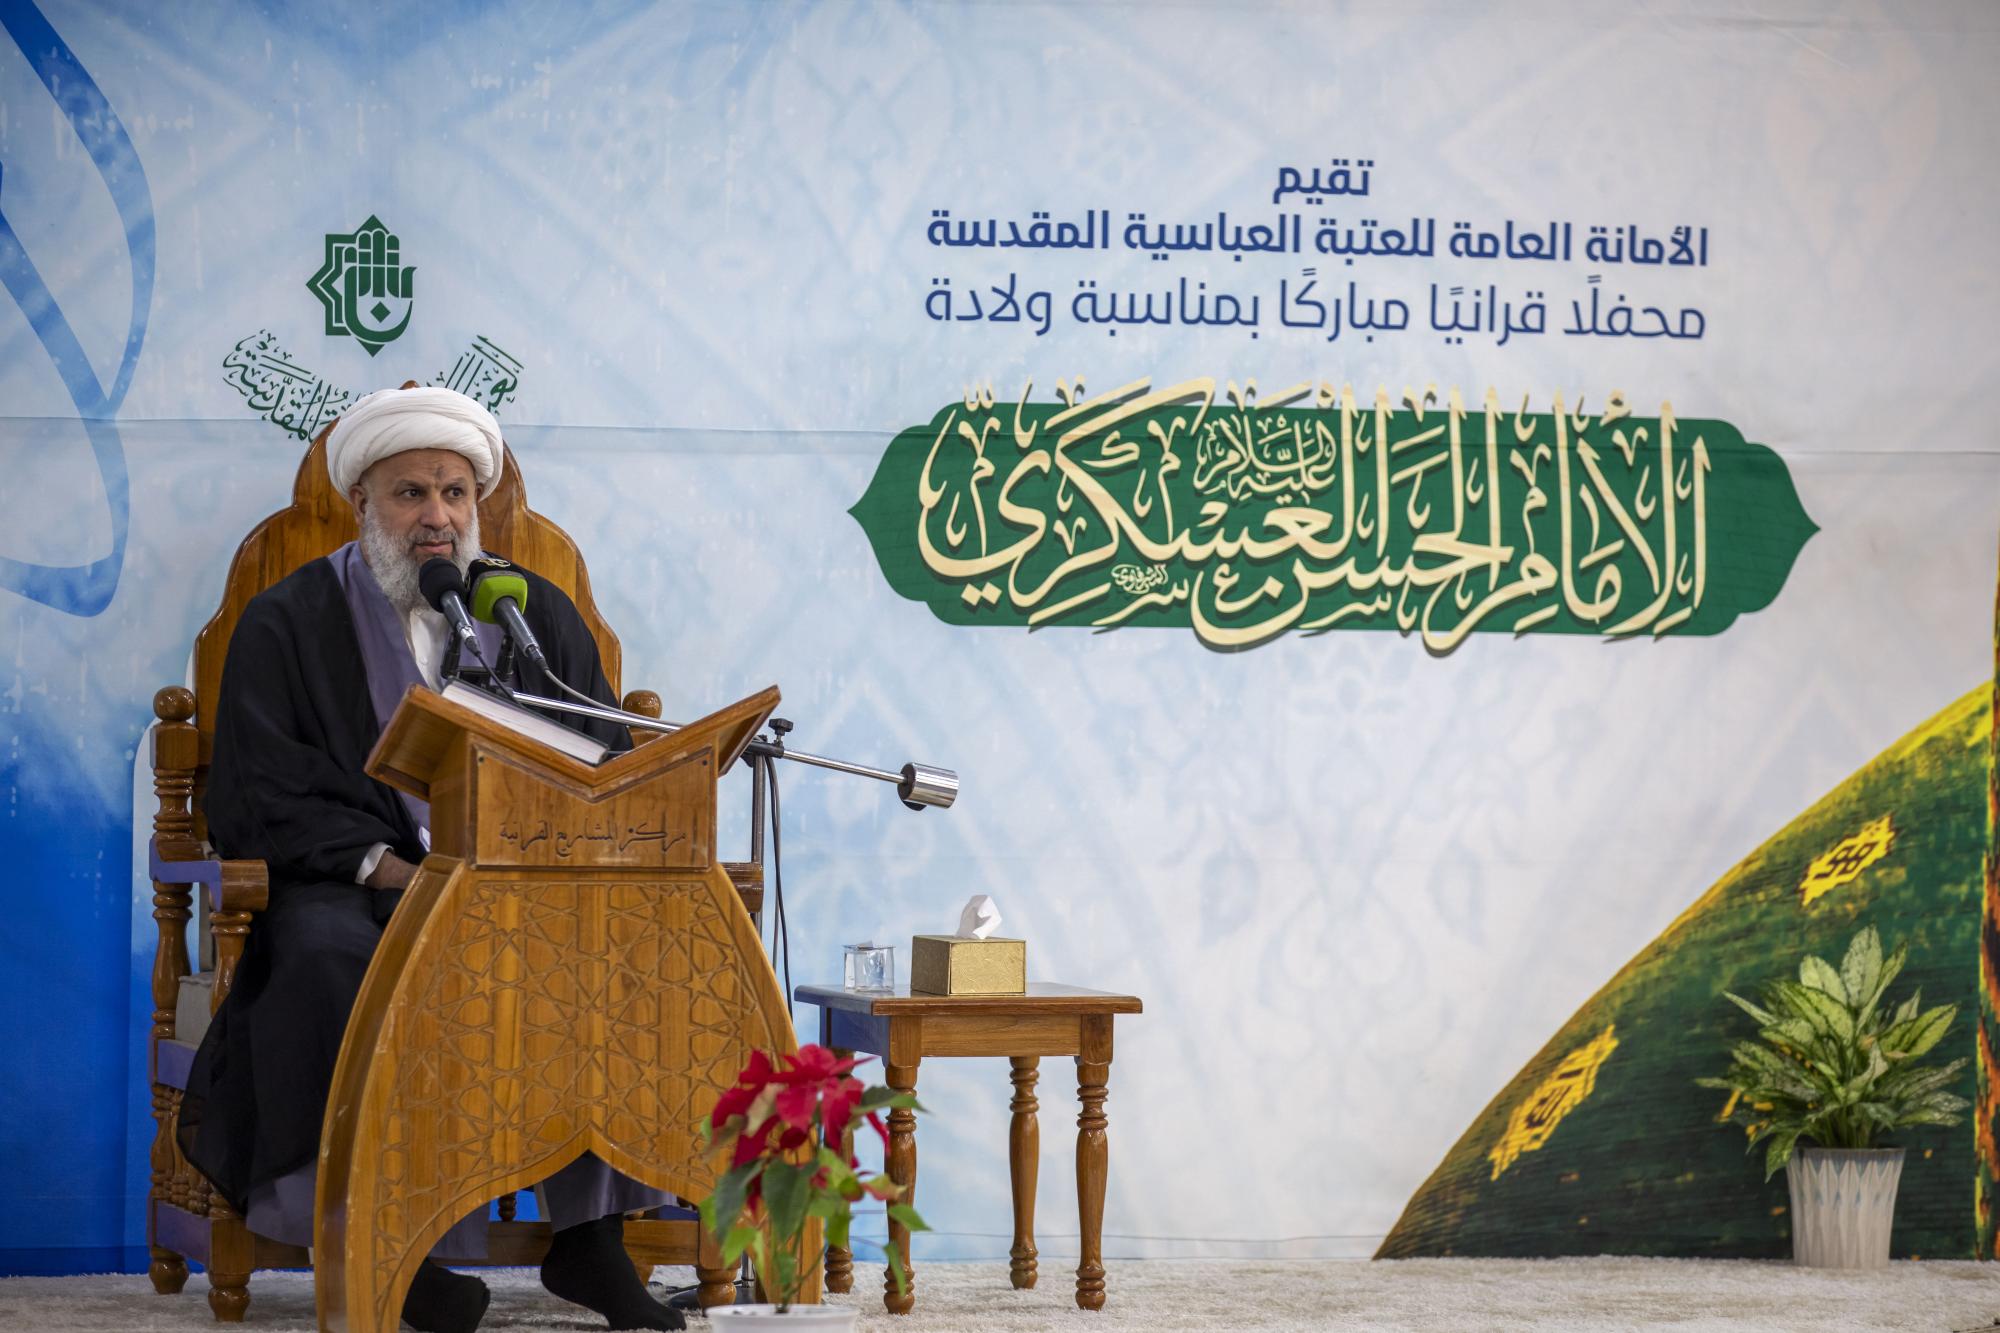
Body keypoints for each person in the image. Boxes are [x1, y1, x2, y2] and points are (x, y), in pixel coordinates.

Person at [179, 387, 683, 1333]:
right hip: (354, 888)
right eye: (410, 493)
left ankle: (592, 1238)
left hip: (519, 889)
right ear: (362, 503)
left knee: (605, 951)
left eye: (455, 492)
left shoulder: (529, 613)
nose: (436, 516)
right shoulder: (287, 620)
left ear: (476, 504)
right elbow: (259, 789)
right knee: (328, 961)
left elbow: (604, 758)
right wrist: (389, 866)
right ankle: (387, 1245)